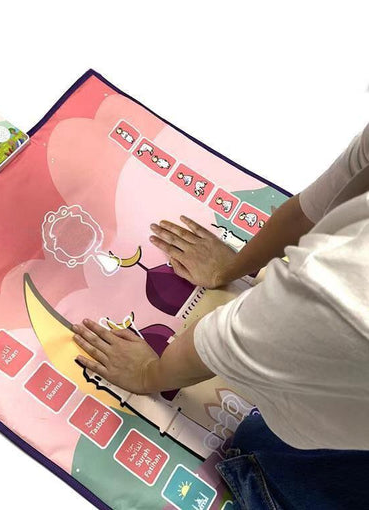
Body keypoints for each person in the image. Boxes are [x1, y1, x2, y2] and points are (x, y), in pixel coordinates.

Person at [72, 124, 369, 509]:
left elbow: (222, 342)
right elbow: (308, 211)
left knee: (260, 448)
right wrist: (233, 268)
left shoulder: (339, 293)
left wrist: (149, 374)